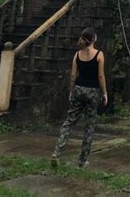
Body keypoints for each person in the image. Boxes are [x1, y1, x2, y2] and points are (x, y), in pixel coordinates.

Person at [51, 27, 108, 168]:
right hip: (92, 92)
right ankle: (82, 161)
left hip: (78, 89)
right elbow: (100, 76)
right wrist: (105, 93)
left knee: (69, 121)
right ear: (94, 39)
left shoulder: (77, 55)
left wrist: (71, 91)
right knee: (89, 126)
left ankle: (57, 152)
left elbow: (73, 76)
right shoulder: (99, 55)